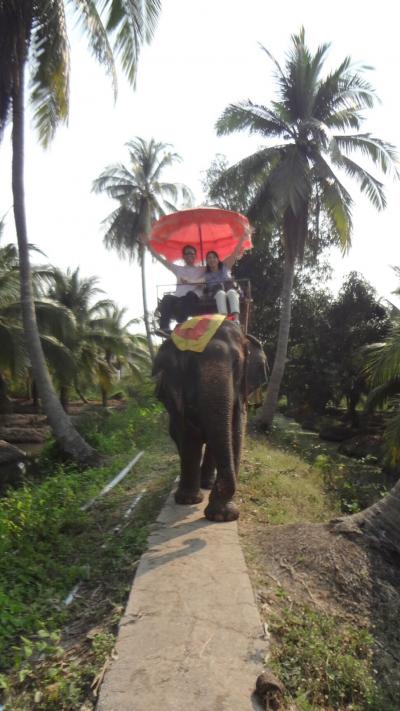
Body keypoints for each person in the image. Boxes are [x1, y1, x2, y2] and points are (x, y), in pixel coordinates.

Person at [141, 235, 205, 334]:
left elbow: (216, 268)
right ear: (183, 256)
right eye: (188, 253)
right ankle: (164, 328)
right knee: (167, 298)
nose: (190, 256)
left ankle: (182, 319)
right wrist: (149, 246)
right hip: (179, 299)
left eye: (193, 254)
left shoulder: (202, 269)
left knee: (190, 295)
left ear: (195, 256)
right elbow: (161, 259)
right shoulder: (178, 269)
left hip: (193, 298)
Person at [203, 227, 249, 323]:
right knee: (220, 293)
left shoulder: (225, 267)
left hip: (230, 289)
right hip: (216, 293)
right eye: (209, 258)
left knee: (232, 292)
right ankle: (224, 319)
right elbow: (197, 281)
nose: (212, 260)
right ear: (207, 261)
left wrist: (242, 239)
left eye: (214, 257)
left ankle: (236, 318)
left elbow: (235, 253)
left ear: (217, 259)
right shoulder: (206, 275)